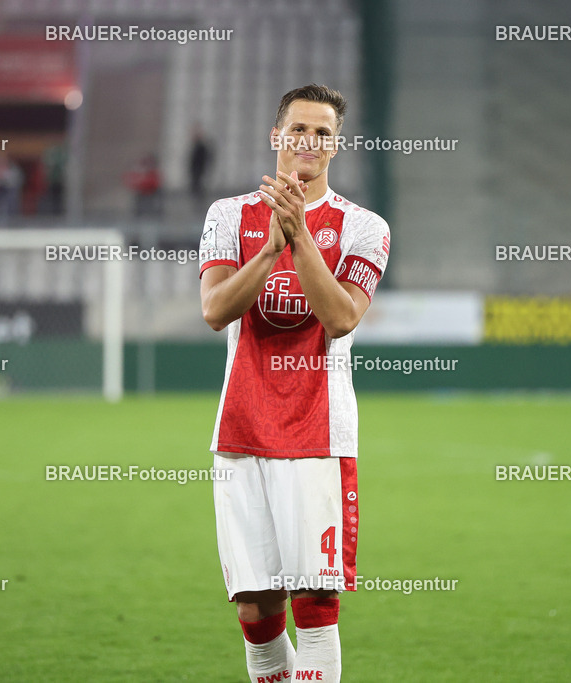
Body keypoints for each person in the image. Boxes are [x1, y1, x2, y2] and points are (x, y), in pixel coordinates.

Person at [199, 84, 391, 683]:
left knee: (314, 600)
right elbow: (215, 310)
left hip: (318, 434)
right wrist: (269, 250)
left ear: (336, 146)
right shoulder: (228, 216)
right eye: (299, 129)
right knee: (255, 607)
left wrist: (300, 236)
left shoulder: (363, 227)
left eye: (323, 133)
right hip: (241, 429)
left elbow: (341, 318)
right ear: (275, 136)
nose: (309, 140)